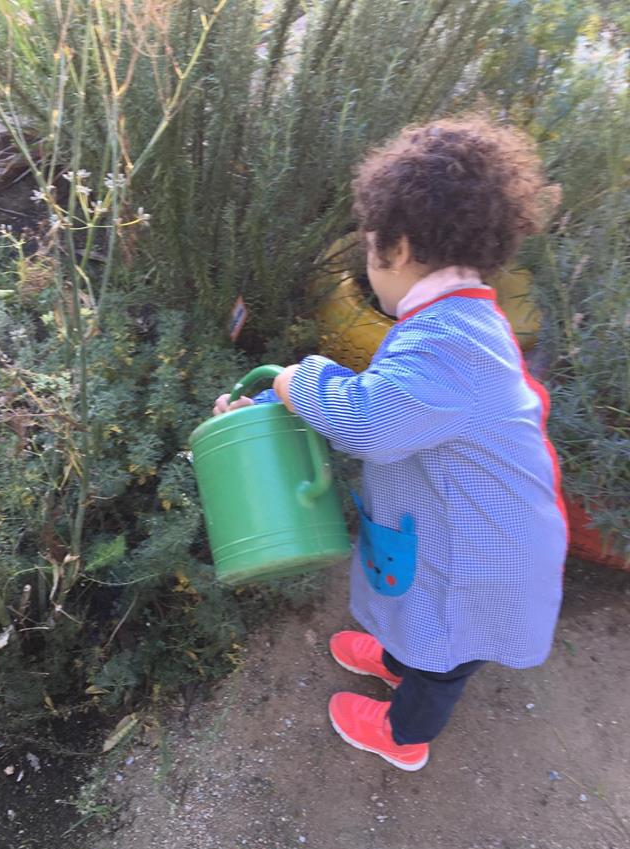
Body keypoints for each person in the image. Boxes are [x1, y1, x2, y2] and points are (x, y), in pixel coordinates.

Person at [214, 115, 568, 771]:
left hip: (481, 564)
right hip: (474, 535)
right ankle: (402, 653)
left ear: (398, 248)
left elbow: (372, 421)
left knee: (447, 660)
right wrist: (273, 406)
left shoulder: (449, 342)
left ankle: (405, 735)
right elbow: (397, 402)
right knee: (427, 624)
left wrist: (301, 379)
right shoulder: (458, 321)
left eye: (370, 246)